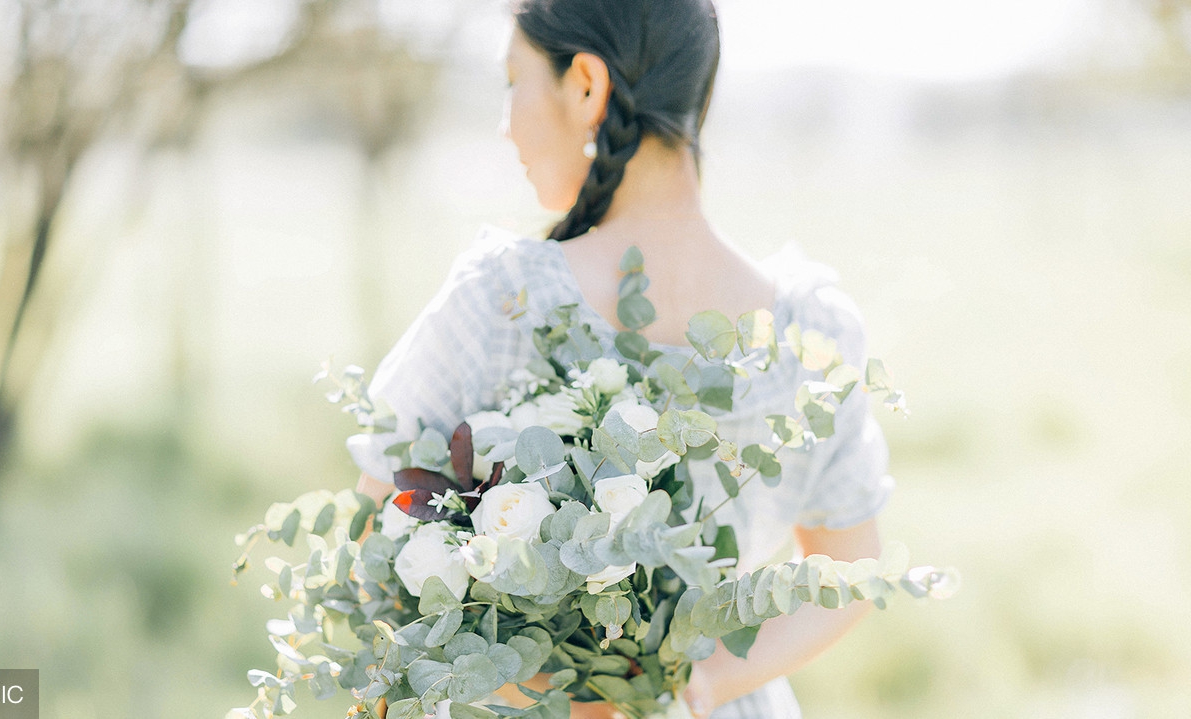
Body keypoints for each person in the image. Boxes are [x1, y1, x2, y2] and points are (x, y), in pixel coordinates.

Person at [349, 1, 894, 717]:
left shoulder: (501, 299)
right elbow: (850, 572)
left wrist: (558, 693)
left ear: (585, 85)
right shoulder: (810, 332)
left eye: (514, 81)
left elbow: (376, 550)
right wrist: (693, 684)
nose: (505, 123)